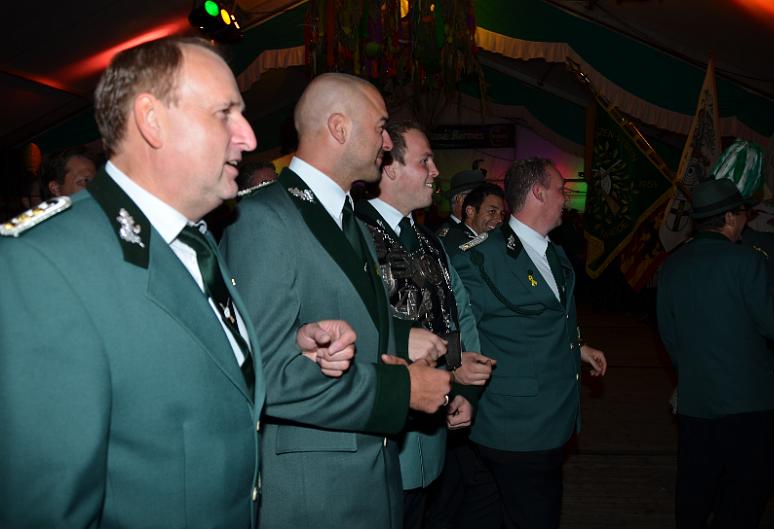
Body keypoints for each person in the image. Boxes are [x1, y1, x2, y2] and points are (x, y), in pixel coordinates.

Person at [0, 37, 354, 529]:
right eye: (225, 113)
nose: (248, 136)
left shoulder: (194, 240)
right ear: (152, 121)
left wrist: (277, 350)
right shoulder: (43, 262)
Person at [220, 73, 452, 529]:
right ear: (339, 128)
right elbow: (266, 372)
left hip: (369, 475)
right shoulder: (264, 218)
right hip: (315, 492)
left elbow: (347, 317)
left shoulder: (350, 219)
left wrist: (402, 338)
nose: (387, 142)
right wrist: (402, 390)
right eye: (380, 127)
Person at [450, 157, 607, 529]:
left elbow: (543, 318)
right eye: (560, 190)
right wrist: (457, 384)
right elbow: (455, 327)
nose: (565, 199)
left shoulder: (552, 251)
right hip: (517, 427)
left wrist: (577, 348)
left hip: (548, 419)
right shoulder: (480, 257)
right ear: (538, 193)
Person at [353, 119, 495, 529]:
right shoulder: (354, 232)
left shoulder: (431, 241)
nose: (435, 172)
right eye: (425, 161)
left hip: (430, 444)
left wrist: (464, 387)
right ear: (389, 168)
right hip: (376, 440)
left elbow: (458, 312)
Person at [657, 178, 774, 529]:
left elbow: (668, 334)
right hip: (746, 401)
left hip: (696, 400)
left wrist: (693, 372)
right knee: (749, 487)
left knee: (696, 485)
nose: (746, 220)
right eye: (744, 213)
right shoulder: (745, 261)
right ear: (730, 218)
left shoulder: (672, 265)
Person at [435, 169, 485, 237]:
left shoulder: (471, 229)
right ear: (461, 199)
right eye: (479, 197)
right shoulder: (451, 235)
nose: (484, 202)